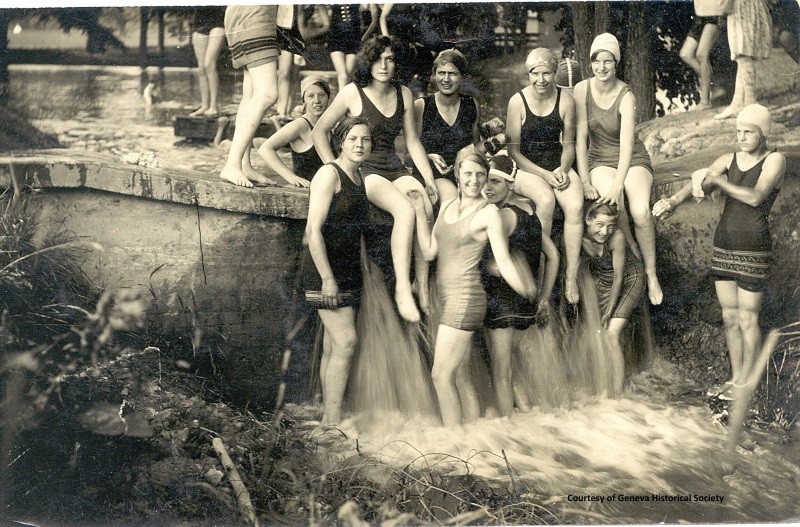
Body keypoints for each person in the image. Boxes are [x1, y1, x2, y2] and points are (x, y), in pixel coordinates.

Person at [653, 104, 785, 400]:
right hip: (724, 243)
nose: (741, 137)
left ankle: (748, 384)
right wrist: (673, 201)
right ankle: (737, 379)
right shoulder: (728, 158)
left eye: (749, 132)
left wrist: (722, 182)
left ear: (764, 133)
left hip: (754, 246)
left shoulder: (775, 160)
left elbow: (755, 196)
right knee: (730, 317)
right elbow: (701, 179)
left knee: (749, 318)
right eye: (738, 131)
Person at [312, 35, 439, 322]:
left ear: (397, 64)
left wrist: (428, 179)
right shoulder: (352, 93)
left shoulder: (403, 93)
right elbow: (319, 131)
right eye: (378, 58)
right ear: (368, 61)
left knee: (423, 203)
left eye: (390, 59)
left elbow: (413, 142)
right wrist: (336, 170)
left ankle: (421, 284)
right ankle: (403, 291)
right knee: (405, 210)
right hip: (366, 171)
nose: (384, 65)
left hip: (394, 167)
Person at [409, 151, 537, 428]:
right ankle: (474, 436)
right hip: (446, 297)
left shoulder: (489, 212)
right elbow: (430, 251)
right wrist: (420, 213)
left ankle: (454, 442)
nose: (474, 180)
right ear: (457, 174)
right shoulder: (447, 207)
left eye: (481, 175)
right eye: (468, 173)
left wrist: (526, 291)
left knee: (440, 376)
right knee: (460, 376)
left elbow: (502, 260)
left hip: (466, 299)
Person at [574, 33, 663, 305]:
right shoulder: (581, 90)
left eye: (608, 61)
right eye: (597, 61)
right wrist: (586, 179)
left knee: (639, 211)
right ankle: (633, 249)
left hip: (632, 159)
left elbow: (626, 147)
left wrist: (617, 185)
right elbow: (579, 139)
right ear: (590, 64)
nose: (602, 67)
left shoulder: (626, 95)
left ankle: (651, 273)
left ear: (616, 63)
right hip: (598, 158)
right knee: (617, 205)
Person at [303, 116, 373, 425]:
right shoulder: (328, 174)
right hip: (325, 272)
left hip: (348, 272)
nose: (359, 145)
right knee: (346, 343)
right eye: (353, 139)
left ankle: (326, 414)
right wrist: (327, 279)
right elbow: (313, 230)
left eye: (365, 140)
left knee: (334, 347)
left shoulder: (359, 177)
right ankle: (331, 422)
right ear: (340, 142)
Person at [481, 153, 559, 417]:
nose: (487, 188)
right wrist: (544, 298)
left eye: (495, 182)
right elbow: (554, 257)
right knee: (512, 368)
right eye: (486, 182)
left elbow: (494, 262)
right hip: (526, 306)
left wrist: (490, 267)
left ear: (511, 184)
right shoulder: (531, 213)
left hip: (502, 302)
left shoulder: (501, 216)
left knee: (501, 372)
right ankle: (526, 416)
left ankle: (508, 428)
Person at [506, 47, 583, 305]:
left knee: (575, 205)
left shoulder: (566, 100)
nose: (541, 80)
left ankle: (570, 276)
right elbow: (513, 153)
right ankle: (540, 272)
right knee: (546, 201)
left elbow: (569, 145)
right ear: (528, 74)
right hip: (526, 168)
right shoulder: (517, 102)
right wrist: (544, 175)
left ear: (555, 73)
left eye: (547, 73)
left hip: (556, 163)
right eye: (535, 74)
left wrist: (562, 169)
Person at [581, 202, 645, 375]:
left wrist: (609, 311)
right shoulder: (577, 236)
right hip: (604, 278)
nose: (604, 232)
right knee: (595, 334)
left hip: (630, 279)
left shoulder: (617, 237)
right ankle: (604, 385)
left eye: (610, 226)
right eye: (600, 225)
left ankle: (617, 395)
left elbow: (619, 278)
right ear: (588, 220)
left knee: (610, 335)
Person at [220, 5, 280, 188]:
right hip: (255, 14)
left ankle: (244, 164)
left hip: (244, 14)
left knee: (252, 94)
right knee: (268, 94)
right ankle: (232, 164)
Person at [414, 48, 482, 204]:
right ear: (434, 75)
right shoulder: (421, 106)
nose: (446, 79)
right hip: (431, 176)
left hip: (464, 175)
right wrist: (429, 157)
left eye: (452, 73)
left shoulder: (471, 104)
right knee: (452, 198)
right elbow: (408, 155)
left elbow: (476, 145)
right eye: (441, 73)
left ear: (462, 76)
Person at [257, 76, 331, 187]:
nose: (317, 101)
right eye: (310, 96)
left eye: (322, 95)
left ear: (328, 98)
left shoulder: (331, 124)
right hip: (306, 187)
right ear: (304, 101)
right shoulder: (300, 125)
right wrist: (291, 177)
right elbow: (265, 149)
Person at [714, 0, 772, 119]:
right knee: (742, 58)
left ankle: (750, 103)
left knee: (743, 56)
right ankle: (738, 103)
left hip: (743, 9)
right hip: (744, 7)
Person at [679, 5, 720, 111]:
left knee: (701, 55)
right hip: (700, 15)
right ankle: (715, 85)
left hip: (714, 14)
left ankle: (705, 101)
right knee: (685, 54)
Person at [190, 6, 227, 117]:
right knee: (201, 68)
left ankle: (214, 106)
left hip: (218, 22)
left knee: (209, 64)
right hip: (200, 22)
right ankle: (205, 105)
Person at [327, 4, 364, 90]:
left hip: (353, 37)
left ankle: (344, 101)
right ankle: (341, 102)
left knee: (348, 75)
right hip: (336, 36)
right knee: (343, 76)